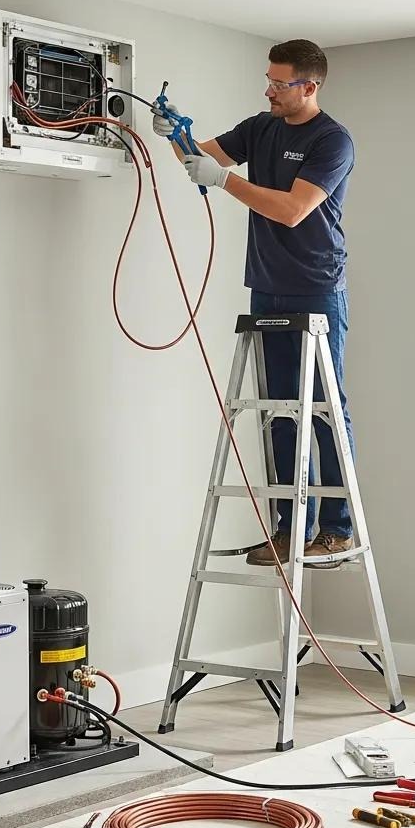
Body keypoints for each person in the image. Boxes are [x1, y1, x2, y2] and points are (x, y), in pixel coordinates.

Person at [153, 40, 356, 569]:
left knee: (322, 414)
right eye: (268, 79)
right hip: (265, 284)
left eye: (280, 83)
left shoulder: (332, 141)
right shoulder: (261, 127)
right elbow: (202, 160)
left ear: (310, 87)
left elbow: (292, 210)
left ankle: (335, 530)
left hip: (315, 288)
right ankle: (292, 530)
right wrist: (176, 134)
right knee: (280, 414)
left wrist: (224, 180)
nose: (269, 89)